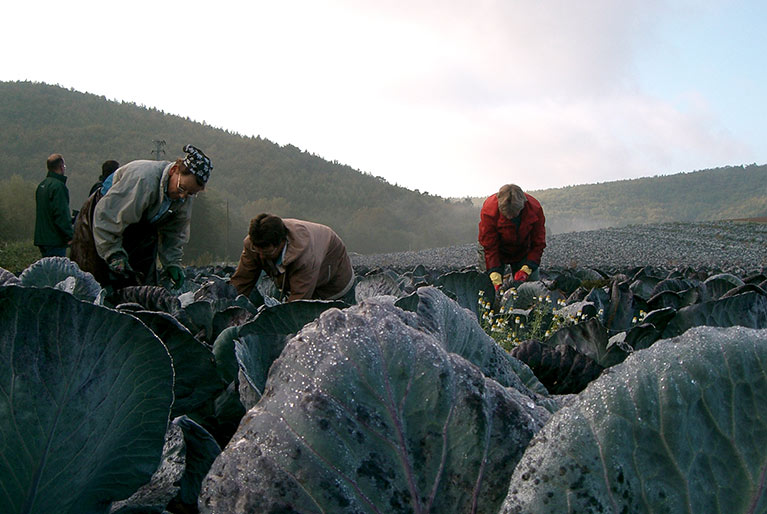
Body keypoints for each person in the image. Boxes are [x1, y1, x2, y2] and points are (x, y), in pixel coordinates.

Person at [70, 144, 212, 289]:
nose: (183, 196)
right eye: (181, 188)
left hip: (139, 226)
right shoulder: (143, 180)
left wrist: (172, 263)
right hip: (102, 218)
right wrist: (113, 253)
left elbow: (174, 232)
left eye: (190, 193)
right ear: (174, 170)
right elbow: (108, 217)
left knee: (141, 284)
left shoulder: (183, 197)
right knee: (93, 282)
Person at [230, 213, 355, 302]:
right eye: (258, 251)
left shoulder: (305, 256)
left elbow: (297, 303)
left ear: (281, 243)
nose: (261, 256)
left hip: (333, 279)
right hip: (308, 267)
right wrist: (231, 303)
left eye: (267, 253)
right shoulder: (254, 243)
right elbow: (242, 280)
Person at [478, 183, 546, 291]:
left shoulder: (535, 208)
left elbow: (538, 243)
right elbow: (489, 245)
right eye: (506, 215)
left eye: (514, 215)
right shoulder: (489, 210)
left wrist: (527, 268)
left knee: (532, 289)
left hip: (523, 248)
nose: (510, 217)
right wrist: (494, 272)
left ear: (523, 205)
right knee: (486, 287)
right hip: (495, 250)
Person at [34, 153, 74, 257]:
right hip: (55, 240)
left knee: (47, 269)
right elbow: (61, 214)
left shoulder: (42, 185)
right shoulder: (58, 187)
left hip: (42, 239)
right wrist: (70, 236)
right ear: (61, 167)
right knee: (57, 270)